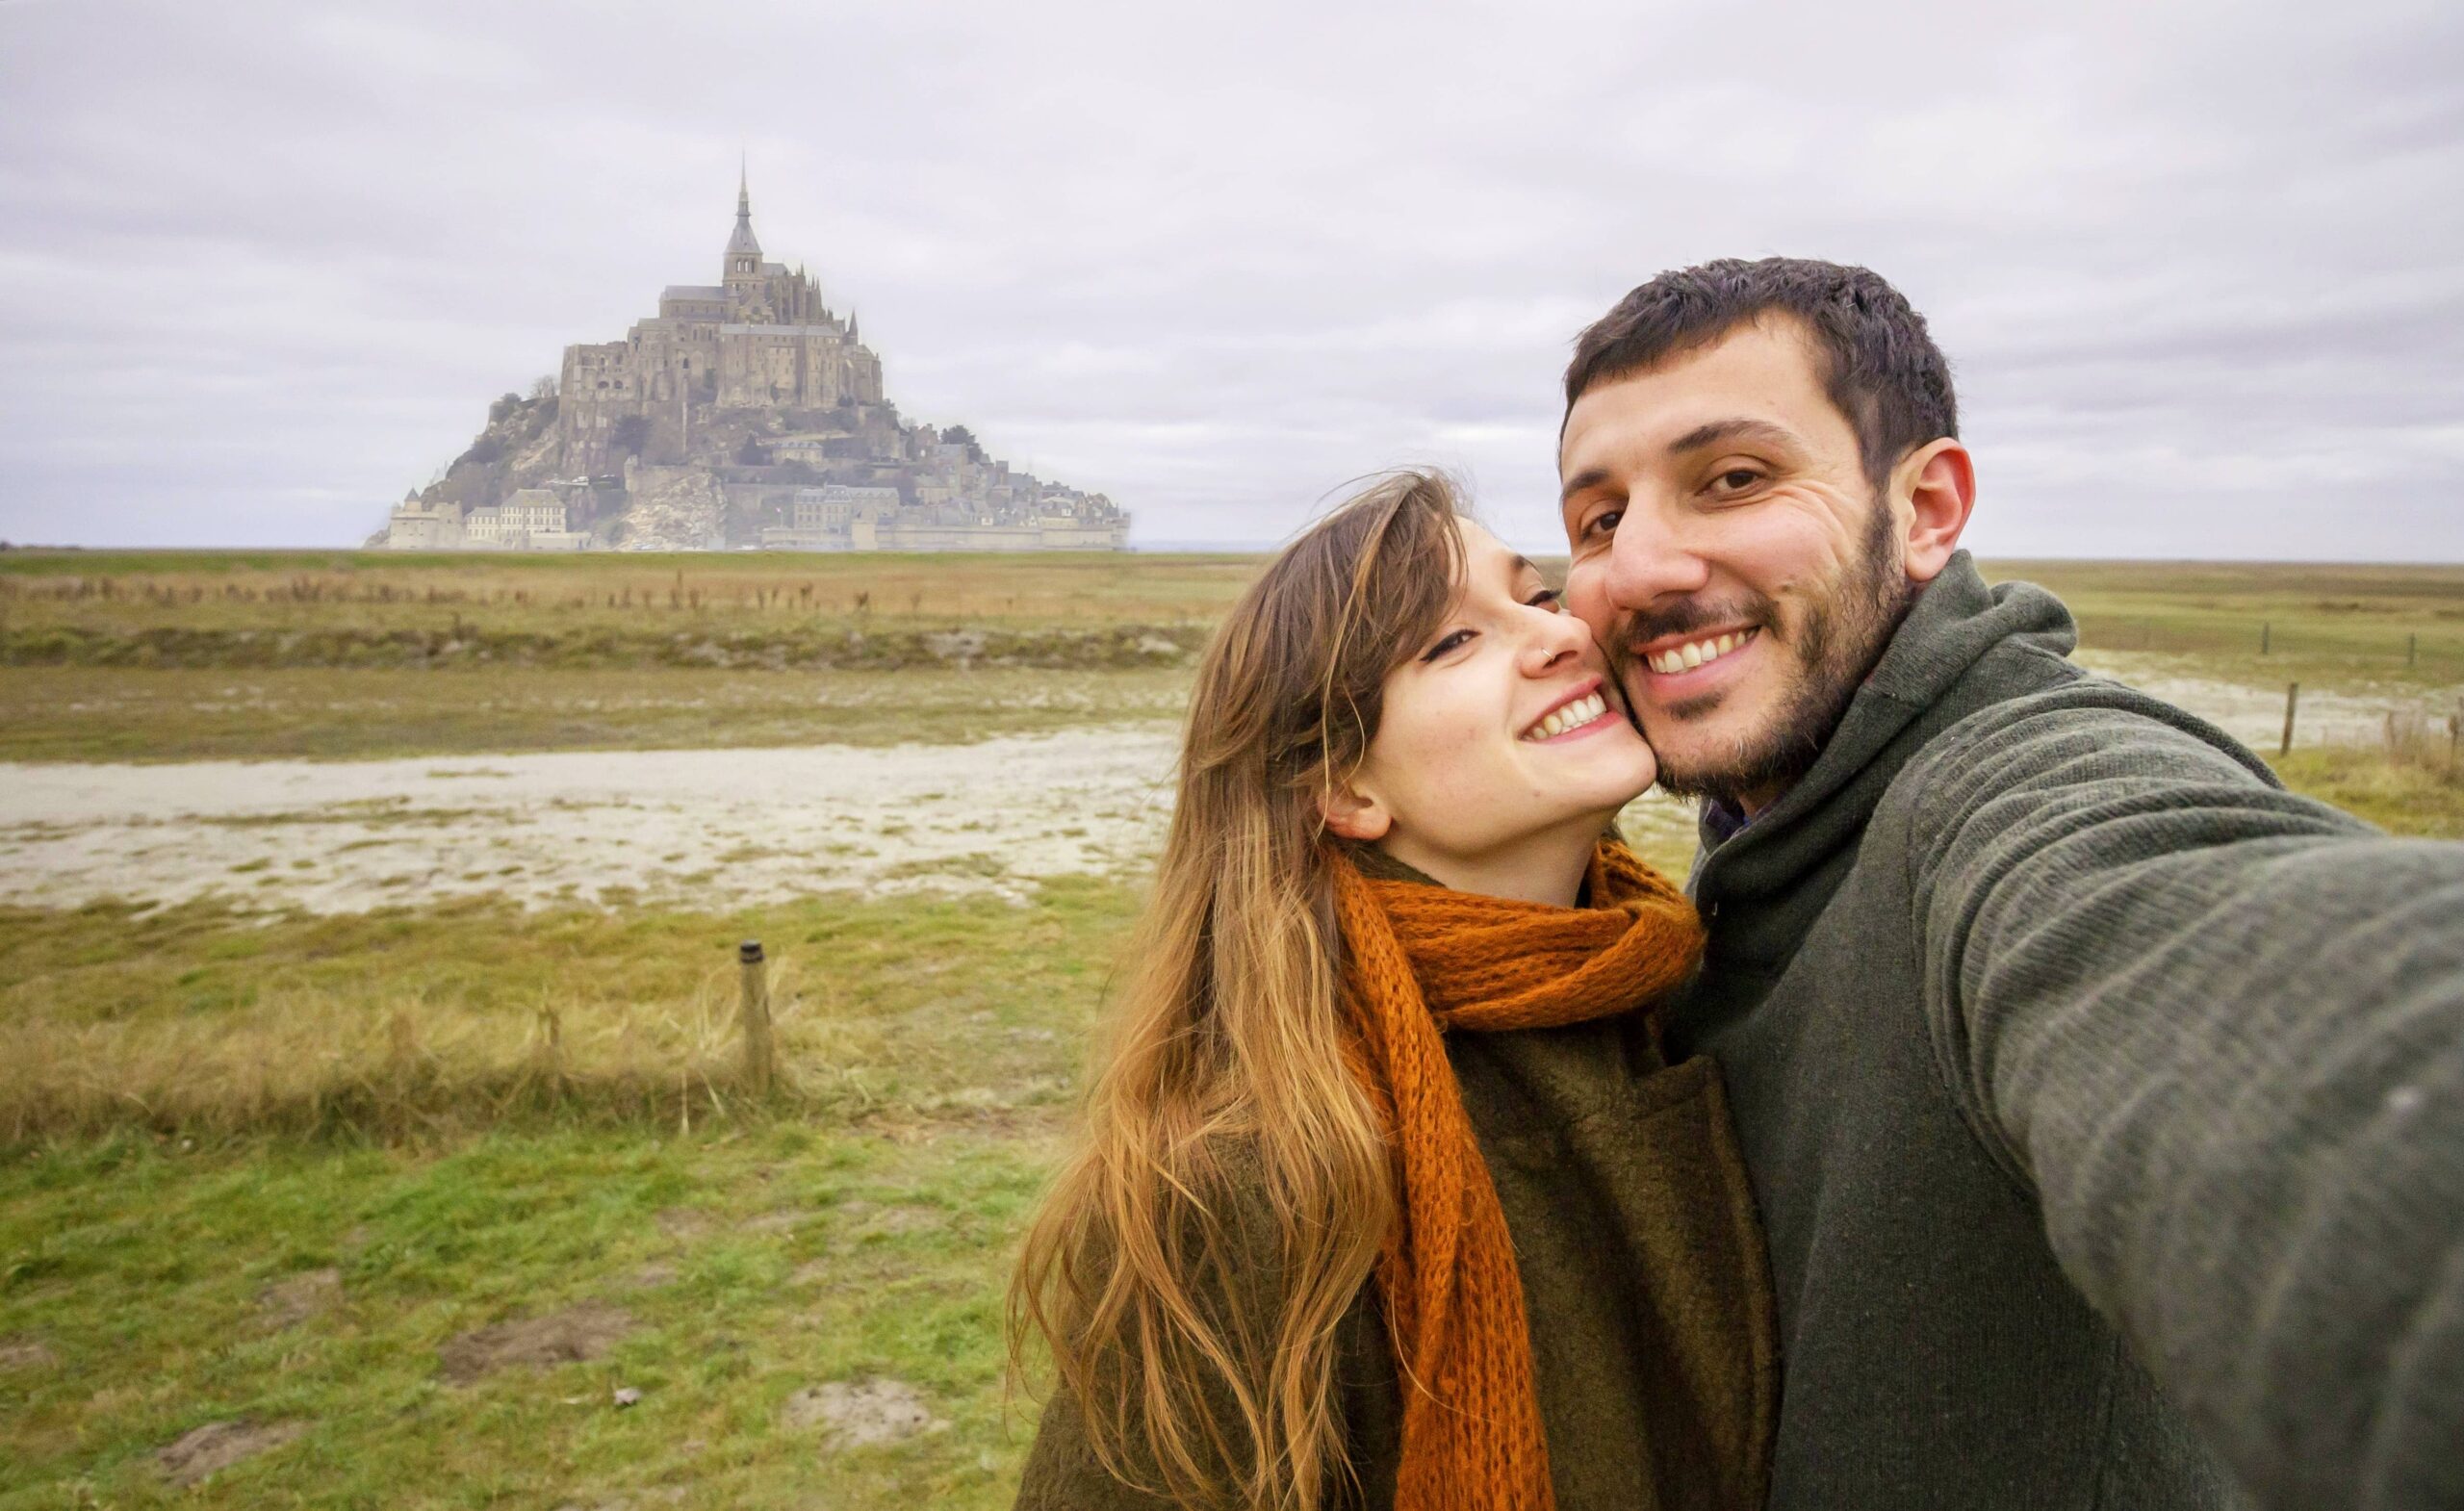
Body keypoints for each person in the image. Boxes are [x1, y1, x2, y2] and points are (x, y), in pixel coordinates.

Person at [1554, 257, 2464, 1511]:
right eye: (1597, 519)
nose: (1640, 566)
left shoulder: (2000, 792)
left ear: (1926, 509)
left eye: (1735, 479)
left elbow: (2213, 962)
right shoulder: (1753, 836)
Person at [1010, 472, 1780, 1510]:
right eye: (1452, 643)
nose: (1560, 637)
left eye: (1539, 597)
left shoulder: (1685, 987)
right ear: (1343, 788)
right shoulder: (1257, 1176)